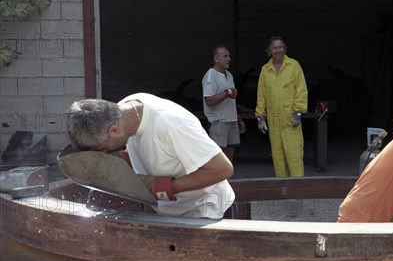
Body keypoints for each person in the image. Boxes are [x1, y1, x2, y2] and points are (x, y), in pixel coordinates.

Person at [66, 93, 235, 219]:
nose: (104, 153)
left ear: (115, 130)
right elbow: (148, 150)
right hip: (170, 211)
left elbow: (222, 169)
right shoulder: (121, 112)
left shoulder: (171, 125)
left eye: (102, 148)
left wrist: (163, 188)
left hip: (207, 211)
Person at [255, 36, 308, 177]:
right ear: (270, 51)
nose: (278, 50)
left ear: (284, 49)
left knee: (294, 155)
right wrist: (260, 116)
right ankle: (282, 191)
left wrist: (298, 111)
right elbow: (261, 94)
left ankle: (297, 189)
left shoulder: (294, 66)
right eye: (275, 48)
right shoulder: (265, 70)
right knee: (278, 157)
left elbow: (301, 90)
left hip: (290, 118)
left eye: (280, 47)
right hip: (273, 120)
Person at [201, 45, 244, 162]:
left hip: (231, 120)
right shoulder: (211, 75)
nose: (229, 59)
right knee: (219, 155)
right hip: (218, 122)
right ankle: (218, 179)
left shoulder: (229, 75)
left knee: (231, 151)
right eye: (225, 56)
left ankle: (228, 179)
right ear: (216, 59)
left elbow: (231, 99)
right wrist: (226, 93)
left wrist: (238, 117)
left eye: (229, 56)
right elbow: (209, 101)